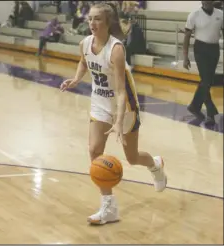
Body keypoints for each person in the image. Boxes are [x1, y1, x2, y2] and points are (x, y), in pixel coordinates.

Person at [60, 2, 167, 225]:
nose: (92, 23)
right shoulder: (85, 43)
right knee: (94, 150)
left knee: (132, 157)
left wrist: (118, 122)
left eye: (97, 19)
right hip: (99, 103)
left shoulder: (116, 49)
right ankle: (109, 207)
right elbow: (84, 61)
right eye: (90, 18)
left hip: (124, 107)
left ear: (108, 22)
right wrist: (77, 78)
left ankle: (155, 165)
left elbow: (120, 92)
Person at [183, 1, 223, 126]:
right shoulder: (194, 15)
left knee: (208, 81)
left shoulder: (221, 14)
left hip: (214, 49)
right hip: (200, 49)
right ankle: (211, 112)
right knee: (206, 80)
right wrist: (185, 57)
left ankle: (194, 106)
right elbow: (187, 36)